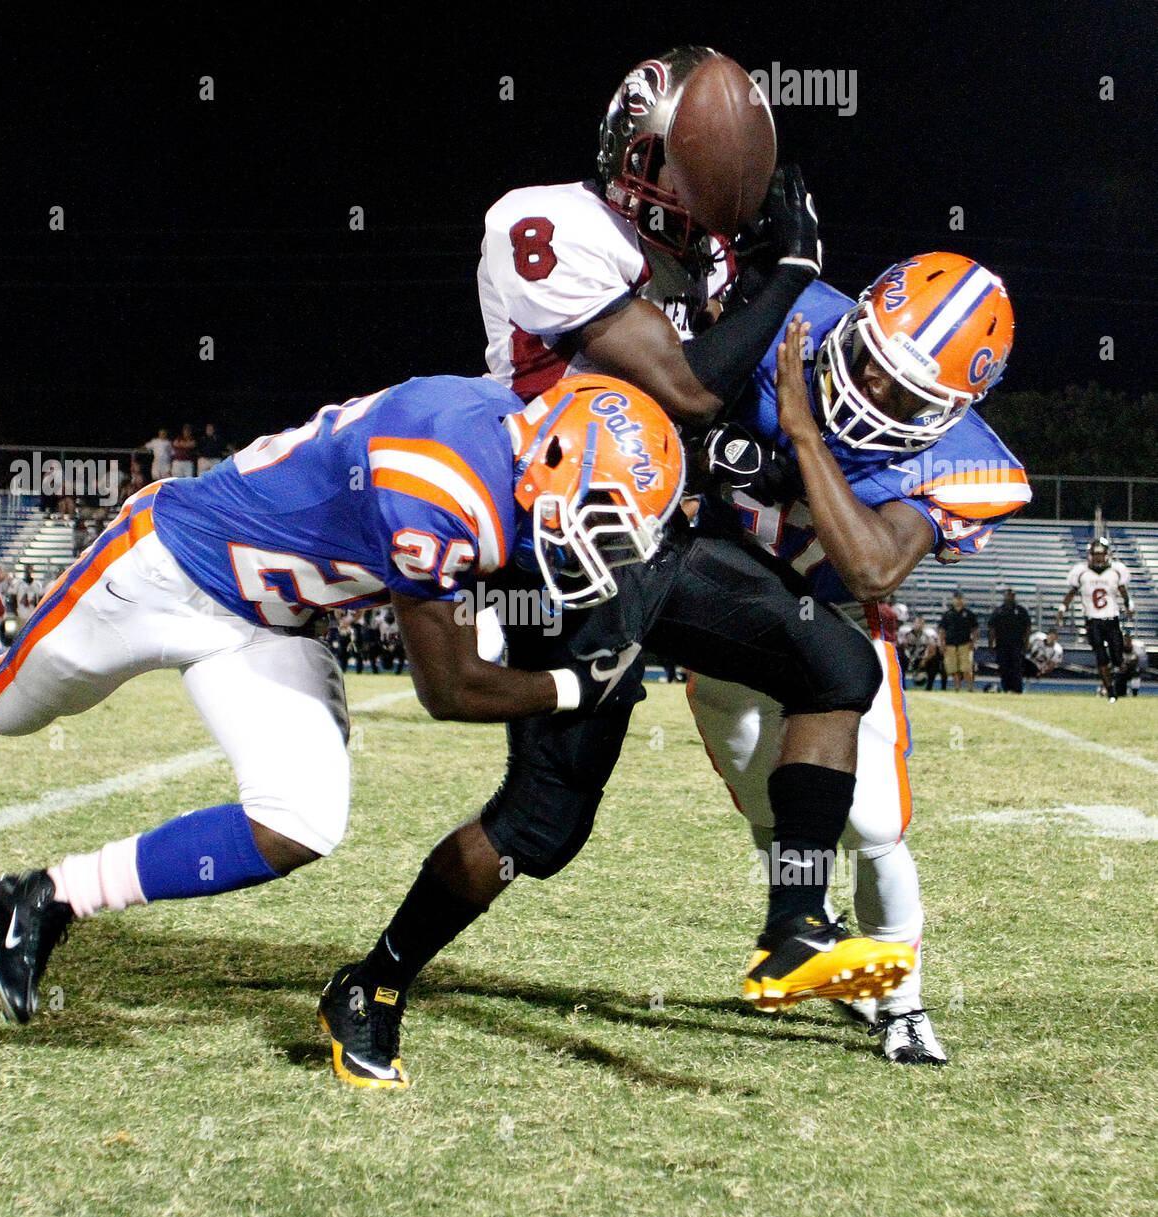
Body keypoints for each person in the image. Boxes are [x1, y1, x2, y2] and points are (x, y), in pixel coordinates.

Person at [319, 49, 913, 1090]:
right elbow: (685, 386)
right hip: (567, 554)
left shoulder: (705, 260)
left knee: (838, 669)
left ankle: (793, 921)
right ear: (631, 154)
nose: (701, 222)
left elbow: (700, 415)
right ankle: (372, 979)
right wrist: (791, 274)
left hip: (665, 544)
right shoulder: (549, 225)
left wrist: (753, 451)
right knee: (539, 830)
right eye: (687, 190)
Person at [0, 372, 687, 1028]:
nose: (603, 546)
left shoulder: (500, 451)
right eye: (599, 518)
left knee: (302, 817)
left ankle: (50, 896)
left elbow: (467, 617)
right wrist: (573, 687)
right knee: (15, 700)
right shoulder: (441, 483)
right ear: (549, 462)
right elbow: (449, 689)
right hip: (168, 569)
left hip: (270, 626)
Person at [688, 253, 1023, 1063]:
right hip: (725, 619)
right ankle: (802, 936)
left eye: (907, 395)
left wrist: (802, 436)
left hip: (835, 624)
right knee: (771, 807)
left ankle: (900, 999)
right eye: (871, 362)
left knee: (872, 824)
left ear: (951, 413)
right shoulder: (786, 318)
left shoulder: (965, 465)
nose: (873, 393)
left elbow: (873, 566)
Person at [1060, 538, 1133, 700]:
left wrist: (1129, 605)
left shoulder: (1116, 571)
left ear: (1107, 555)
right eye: (1096, 554)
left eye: (1101, 554)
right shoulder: (1081, 572)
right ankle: (1110, 692)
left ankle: (1123, 682)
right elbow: (1071, 592)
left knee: (1118, 659)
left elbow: (1123, 591)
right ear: (1090, 555)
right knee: (1101, 658)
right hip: (1092, 621)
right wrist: (1062, 609)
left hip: (1111, 619)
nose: (1098, 558)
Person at [988, 588, 1031, 693]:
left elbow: (1027, 628)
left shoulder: (1021, 611)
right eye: (1008, 595)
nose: (1010, 597)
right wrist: (990, 644)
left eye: (1012, 595)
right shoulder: (998, 611)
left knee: (1017, 668)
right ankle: (1006, 689)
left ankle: (1017, 690)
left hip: (1017, 645)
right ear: (1004, 596)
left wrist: (1026, 643)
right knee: (1004, 668)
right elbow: (992, 628)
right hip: (1002, 645)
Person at [938, 591, 979, 691]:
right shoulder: (948, 614)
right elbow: (942, 630)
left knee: (966, 668)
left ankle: (970, 688)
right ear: (953, 600)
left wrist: (973, 642)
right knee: (954, 669)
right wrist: (942, 644)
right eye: (956, 598)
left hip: (965, 644)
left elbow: (975, 629)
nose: (958, 601)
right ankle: (957, 688)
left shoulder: (969, 614)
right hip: (950, 644)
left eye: (960, 598)